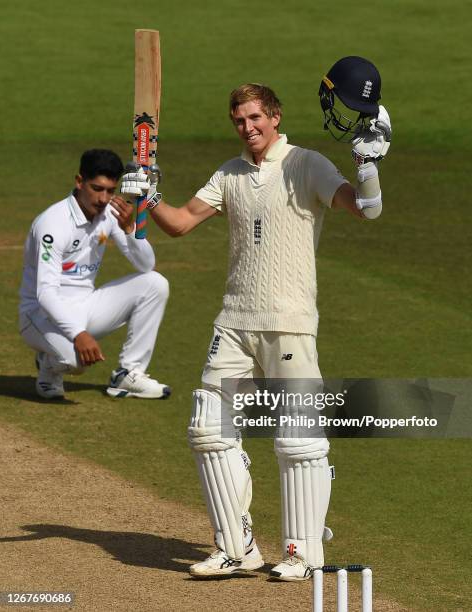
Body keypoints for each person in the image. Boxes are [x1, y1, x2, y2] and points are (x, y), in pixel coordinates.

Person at [121, 56, 391, 580]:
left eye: (255, 118)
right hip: (235, 322)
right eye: (239, 122)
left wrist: (368, 166)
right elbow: (177, 225)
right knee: (208, 431)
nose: (248, 128)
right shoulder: (229, 174)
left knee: (298, 441)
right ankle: (236, 548)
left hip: (289, 321)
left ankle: (302, 551)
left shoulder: (306, 163)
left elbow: (366, 209)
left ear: (274, 115)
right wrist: (148, 196)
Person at [19, 148, 170, 400]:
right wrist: (79, 334)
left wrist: (130, 229)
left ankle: (128, 374)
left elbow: (146, 265)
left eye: (110, 190)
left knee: (155, 284)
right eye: (97, 189)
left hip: (84, 306)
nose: (103, 198)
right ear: (79, 182)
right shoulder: (52, 224)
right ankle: (49, 363)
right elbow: (45, 293)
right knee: (76, 361)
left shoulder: (110, 214)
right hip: (39, 315)